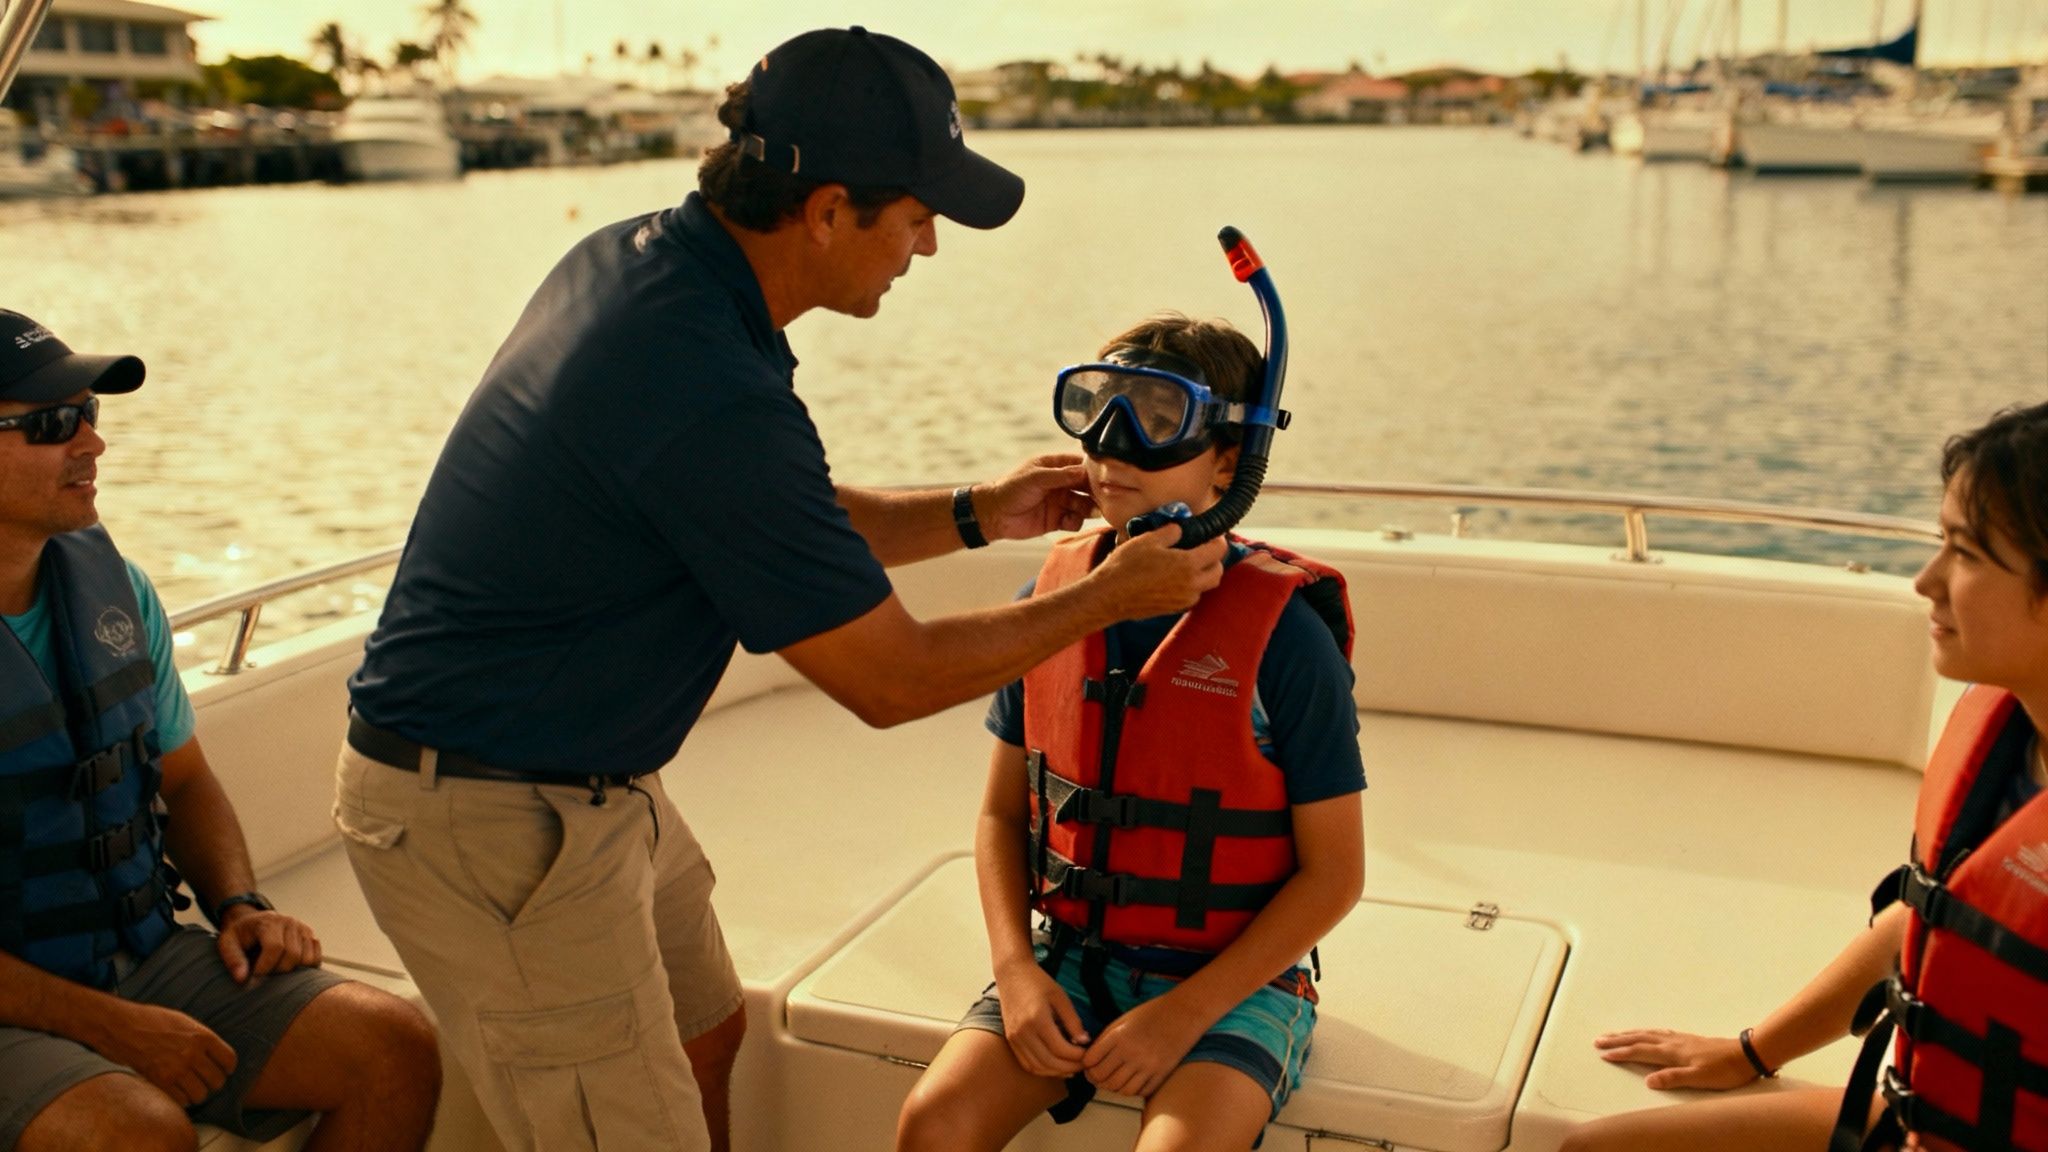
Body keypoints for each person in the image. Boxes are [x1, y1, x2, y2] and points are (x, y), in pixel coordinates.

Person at [333, 26, 1230, 1152]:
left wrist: (973, 513)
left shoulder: (652, 263)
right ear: (826, 211)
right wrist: (1106, 599)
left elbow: (762, 516)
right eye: (914, 216)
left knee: (706, 1031)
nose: (929, 247)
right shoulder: (699, 374)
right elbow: (888, 680)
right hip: (492, 813)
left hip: (589, 783)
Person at [895, 313, 1368, 1152]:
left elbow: (1334, 875)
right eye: (1098, 409)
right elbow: (1002, 816)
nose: (1112, 448)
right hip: (1067, 959)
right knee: (933, 1125)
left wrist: (1182, 1014)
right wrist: (1018, 972)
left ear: (1230, 459)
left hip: (1234, 985)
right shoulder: (1051, 600)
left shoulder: (1284, 637)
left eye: (1156, 419)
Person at [0, 309, 441, 1152]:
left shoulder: (113, 587)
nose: (92, 445)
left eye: (92, 416)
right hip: (17, 1002)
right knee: (135, 1131)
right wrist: (111, 1028)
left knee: (391, 1048)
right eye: (54, 425)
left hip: (133, 952)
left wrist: (237, 902)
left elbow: (187, 777)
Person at [1561, 401, 2048, 1152]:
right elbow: (1926, 922)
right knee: (1591, 1149)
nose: (1925, 581)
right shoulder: (2014, 746)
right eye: (1938, 544)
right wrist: (1752, 1052)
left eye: (1968, 554)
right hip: (1918, 1122)